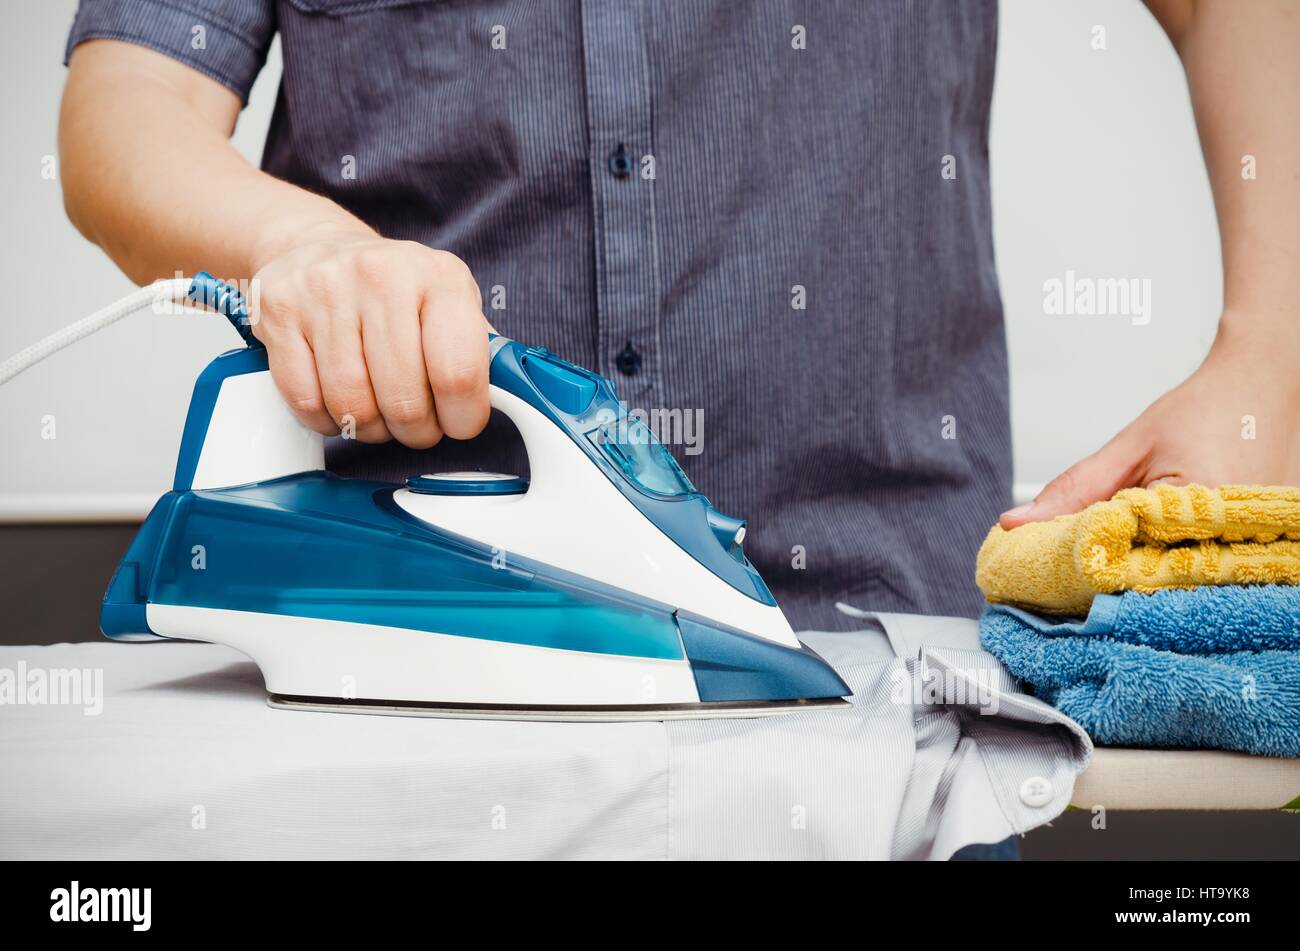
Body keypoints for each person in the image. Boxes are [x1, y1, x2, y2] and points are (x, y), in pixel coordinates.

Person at [59, 1, 1299, 631]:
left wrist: (1267, 354)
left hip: (876, 652)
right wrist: (309, 251)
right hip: (397, 620)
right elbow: (122, 124)